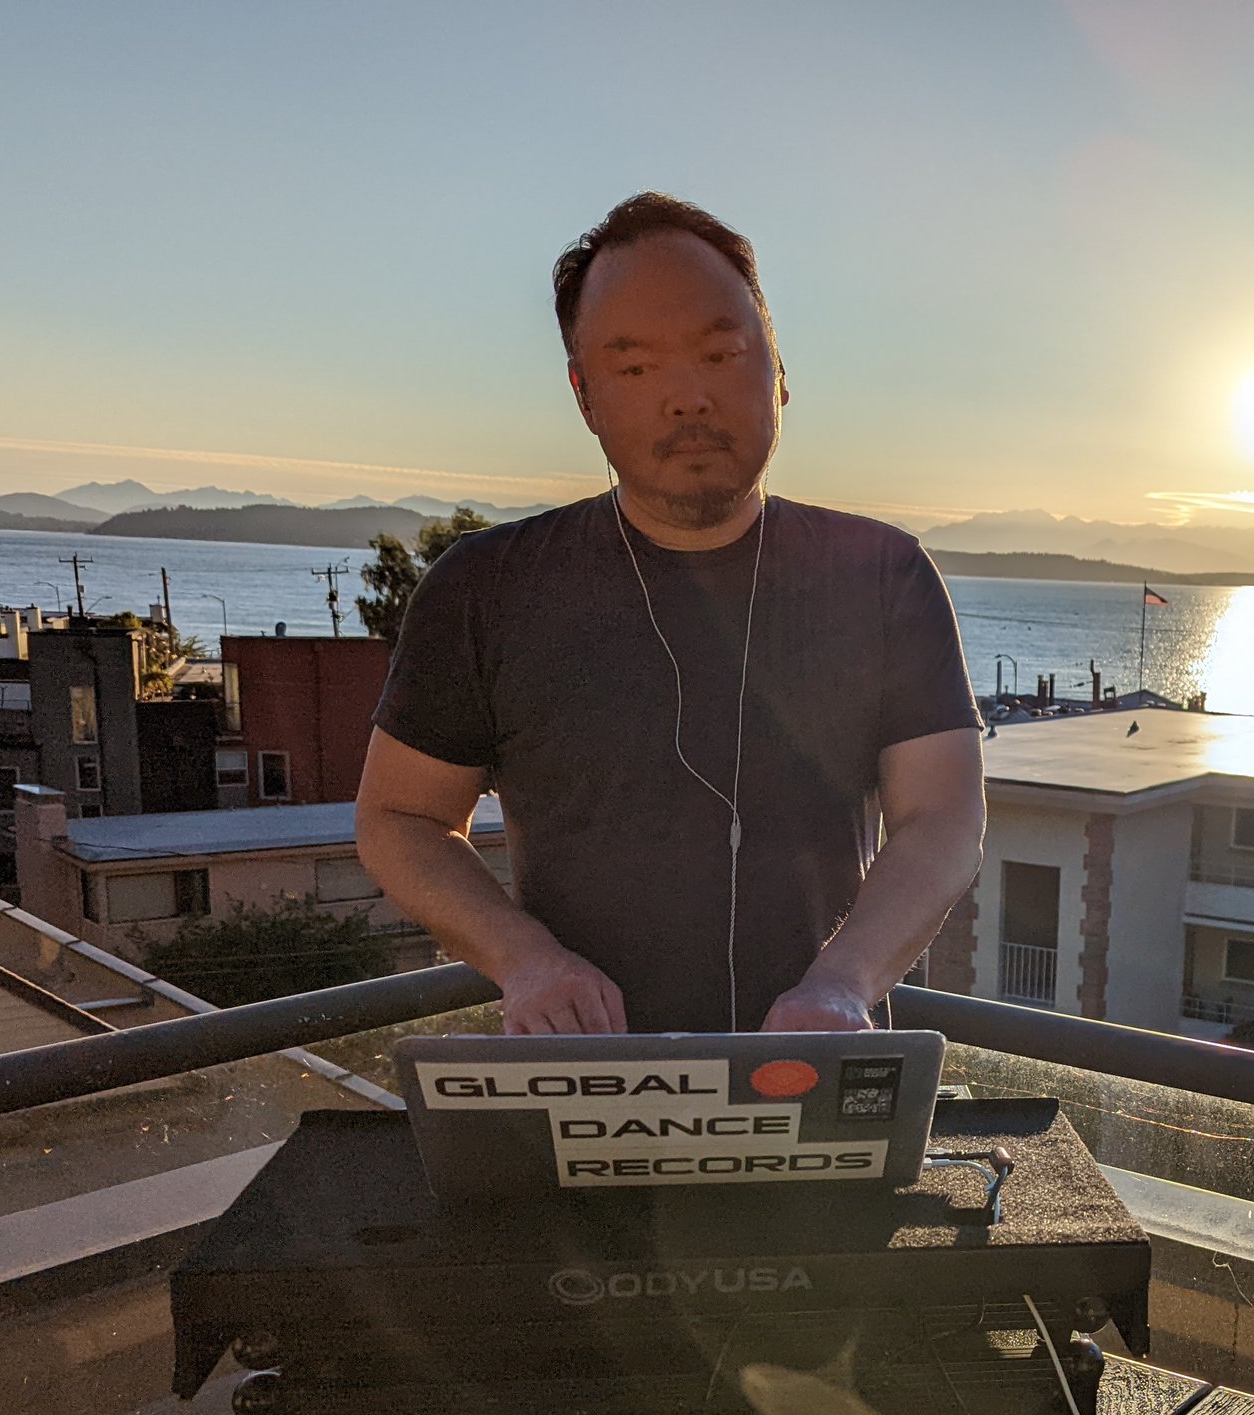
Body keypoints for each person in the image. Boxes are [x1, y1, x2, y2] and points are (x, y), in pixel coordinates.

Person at [356, 193, 985, 1035]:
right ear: (584, 397)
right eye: (636, 368)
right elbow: (401, 817)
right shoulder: (487, 588)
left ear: (779, 372)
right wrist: (527, 961)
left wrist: (842, 982)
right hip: (584, 1096)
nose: (687, 398)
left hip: (807, 1083)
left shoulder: (882, 577)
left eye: (722, 354)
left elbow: (941, 815)